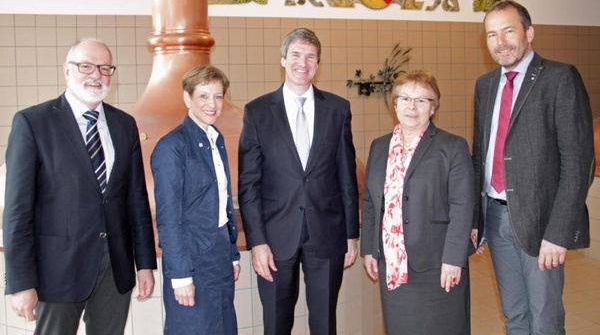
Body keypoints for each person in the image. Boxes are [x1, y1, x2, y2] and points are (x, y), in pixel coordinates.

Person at [3, 38, 157, 335]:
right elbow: (18, 211)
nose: (96, 74)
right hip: (56, 271)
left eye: (104, 67)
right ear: (67, 71)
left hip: (115, 269)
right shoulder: (33, 123)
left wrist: (145, 264)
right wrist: (21, 282)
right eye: (85, 66)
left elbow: (135, 201)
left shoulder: (124, 125)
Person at [472, 0, 594, 334]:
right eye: (492, 34)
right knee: (514, 315)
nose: (501, 41)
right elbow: (479, 153)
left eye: (509, 30)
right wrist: (476, 219)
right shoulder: (484, 86)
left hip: (542, 223)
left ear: (529, 32)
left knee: (544, 319)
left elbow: (578, 162)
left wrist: (558, 232)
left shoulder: (559, 78)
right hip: (496, 218)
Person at [238, 27, 359, 334]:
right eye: (295, 55)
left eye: (310, 56)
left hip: (327, 234)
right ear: (283, 59)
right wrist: (257, 242)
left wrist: (351, 234)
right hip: (276, 237)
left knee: (324, 322)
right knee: (276, 323)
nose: (302, 63)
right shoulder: (257, 112)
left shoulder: (338, 109)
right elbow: (249, 184)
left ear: (318, 63)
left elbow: (346, 175)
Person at [361, 70, 476, 334]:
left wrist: (453, 258)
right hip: (392, 262)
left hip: (437, 264)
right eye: (405, 98)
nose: (412, 107)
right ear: (395, 103)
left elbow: (462, 206)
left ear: (433, 108)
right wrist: (370, 248)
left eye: (422, 100)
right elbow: (370, 201)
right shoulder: (379, 146)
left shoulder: (452, 146)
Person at [151, 65, 240, 335]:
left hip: (220, 253)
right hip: (191, 258)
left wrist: (232, 253)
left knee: (224, 328)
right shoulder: (171, 147)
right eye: (203, 96)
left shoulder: (216, 138)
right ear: (187, 98)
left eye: (217, 96)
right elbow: (168, 218)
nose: (211, 104)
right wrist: (180, 276)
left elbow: (221, 202)